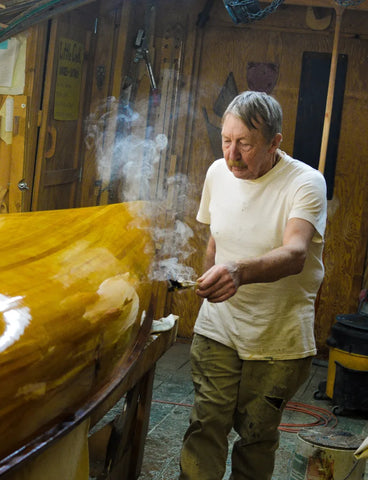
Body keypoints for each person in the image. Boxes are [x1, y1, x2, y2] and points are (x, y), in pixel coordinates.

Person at [179, 91, 327, 480]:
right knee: (205, 425)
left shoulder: (305, 183)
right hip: (219, 328)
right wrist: (209, 285)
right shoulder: (217, 173)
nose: (232, 155)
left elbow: (295, 253)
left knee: (256, 438)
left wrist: (239, 272)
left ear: (275, 142)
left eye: (245, 143)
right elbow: (216, 239)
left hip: (277, 336)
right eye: (226, 140)